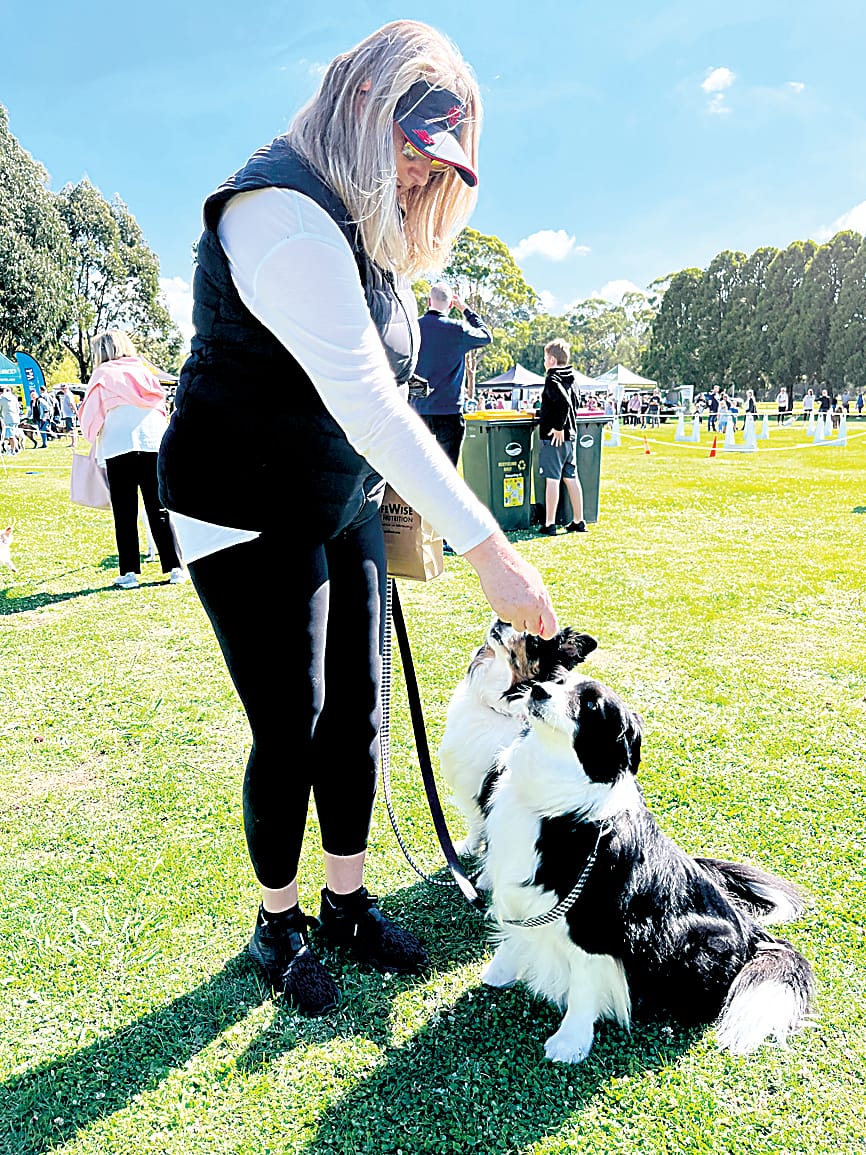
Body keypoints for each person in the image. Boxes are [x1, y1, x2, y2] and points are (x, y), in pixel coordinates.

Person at [156, 21, 557, 1017]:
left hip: (333, 494)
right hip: (238, 502)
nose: (423, 188)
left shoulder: (364, 230)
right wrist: (491, 552)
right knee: (290, 721)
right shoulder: (278, 210)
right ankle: (277, 921)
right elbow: (370, 402)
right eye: (416, 161)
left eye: (439, 174)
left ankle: (343, 901)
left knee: (360, 712)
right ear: (364, 112)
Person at [78, 330, 186, 589]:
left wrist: (91, 435)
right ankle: (175, 568)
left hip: (119, 446)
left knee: (125, 513)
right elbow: (160, 405)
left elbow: (91, 415)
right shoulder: (144, 370)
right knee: (159, 508)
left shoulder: (102, 375)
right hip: (152, 442)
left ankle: (129, 573)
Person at [412, 281, 491, 466]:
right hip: (449, 411)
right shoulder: (458, 329)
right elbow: (486, 335)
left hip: (418, 409)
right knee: (446, 474)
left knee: (417, 471)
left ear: (428, 302)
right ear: (450, 305)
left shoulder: (414, 328)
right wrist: (465, 309)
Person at [536, 338, 586, 536]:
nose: (545, 362)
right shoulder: (572, 379)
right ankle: (578, 520)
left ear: (553, 360)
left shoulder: (552, 378)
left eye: (546, 358)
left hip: (554, 438)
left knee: (552, 479)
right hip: (571, 438)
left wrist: (557, 427)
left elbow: (563, 404)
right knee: (571, 477)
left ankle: (550, 523)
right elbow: (575, 402)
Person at [0, 386, 22, 454]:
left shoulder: (1, 398)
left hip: (8, 419)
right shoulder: (14, 397)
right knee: (13, 434)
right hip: (16, 418)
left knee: (10, 436)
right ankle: (17, 449)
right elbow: (18, 409)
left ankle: (12, 451)